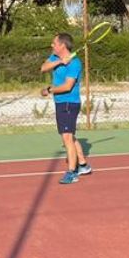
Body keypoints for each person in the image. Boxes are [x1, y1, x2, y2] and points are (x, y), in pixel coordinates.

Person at [40, 32, 92, 184]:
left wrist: (49, 90)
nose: (52, 45)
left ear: (62, 45)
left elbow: (67, 86)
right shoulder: (55, 57)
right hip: (61, 103)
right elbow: (43, 68)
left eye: (54, 43)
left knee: (67, 137)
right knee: (69, 135)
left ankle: (72, 173)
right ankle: (83, 165)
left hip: (69, 103)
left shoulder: (75, 63)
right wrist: (59, 62)